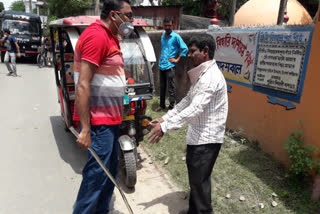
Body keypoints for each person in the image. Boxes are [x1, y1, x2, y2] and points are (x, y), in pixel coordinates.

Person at [148, 34, 229, 214]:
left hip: (206, 142)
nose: (189, 55)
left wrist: (164, 127)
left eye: (192, 51)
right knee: (196, 180)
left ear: (205, 51)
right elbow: (187, 102)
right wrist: (165, 118)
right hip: (199, 139)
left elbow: (194, 109)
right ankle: (194, 211)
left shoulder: (210, 78)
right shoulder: (203, 74)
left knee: (200, 183)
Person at [72, 0, 133, 213]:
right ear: (114, 15)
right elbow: (83, 84)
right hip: (99, 122)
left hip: (110, 120)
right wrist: (86, 129)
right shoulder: (97, 36)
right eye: (128, 15)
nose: (130, 21)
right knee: (96, 176)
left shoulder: (109, 37)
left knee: (109, 172)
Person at [155, 17, 188, 112]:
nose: (167, 27)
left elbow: (184, 48)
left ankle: (171, 106)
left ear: (172, 25)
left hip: (170, 66)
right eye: (166, 25)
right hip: (162, 65)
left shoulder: (176, 37)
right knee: (162, 86)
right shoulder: (162, 36)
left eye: (169, 25)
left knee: (171, 87)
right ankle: (161, 105)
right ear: (163, 26)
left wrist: (177, 59)